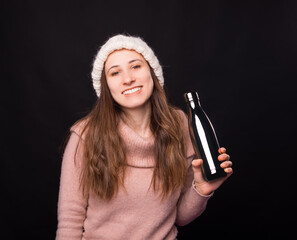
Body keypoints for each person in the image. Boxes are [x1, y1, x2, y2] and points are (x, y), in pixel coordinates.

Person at [55, 34, 233, 240]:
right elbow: (70, 221)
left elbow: (179, 217)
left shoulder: (181, 126)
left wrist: (202, 188)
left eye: (136, 66)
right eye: (115, 73)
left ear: (153, 73)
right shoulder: (86, 135)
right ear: (106, 87)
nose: (128, 79)